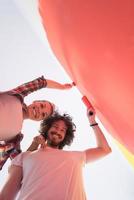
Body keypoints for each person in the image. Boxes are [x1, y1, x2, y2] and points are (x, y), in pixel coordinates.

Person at [0, 108, 112, 200]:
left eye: (63, 130)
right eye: (55, 127)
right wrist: (34, 144)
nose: (58, 131)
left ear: (65, 136)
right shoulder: (24, 157)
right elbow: (6, 196)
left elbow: (105, 149)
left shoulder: (76, 156)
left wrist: (92, 121)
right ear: (47, 129)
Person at [0, 76, 73, 170]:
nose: (39, 110)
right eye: (42, 105)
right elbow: (41, 83)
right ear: (36, 102)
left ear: (39, 120)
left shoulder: (14, 138)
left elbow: (19, 162)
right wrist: (62, 87)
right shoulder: (16, 95)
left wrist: (36, 143)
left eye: (43, 114)